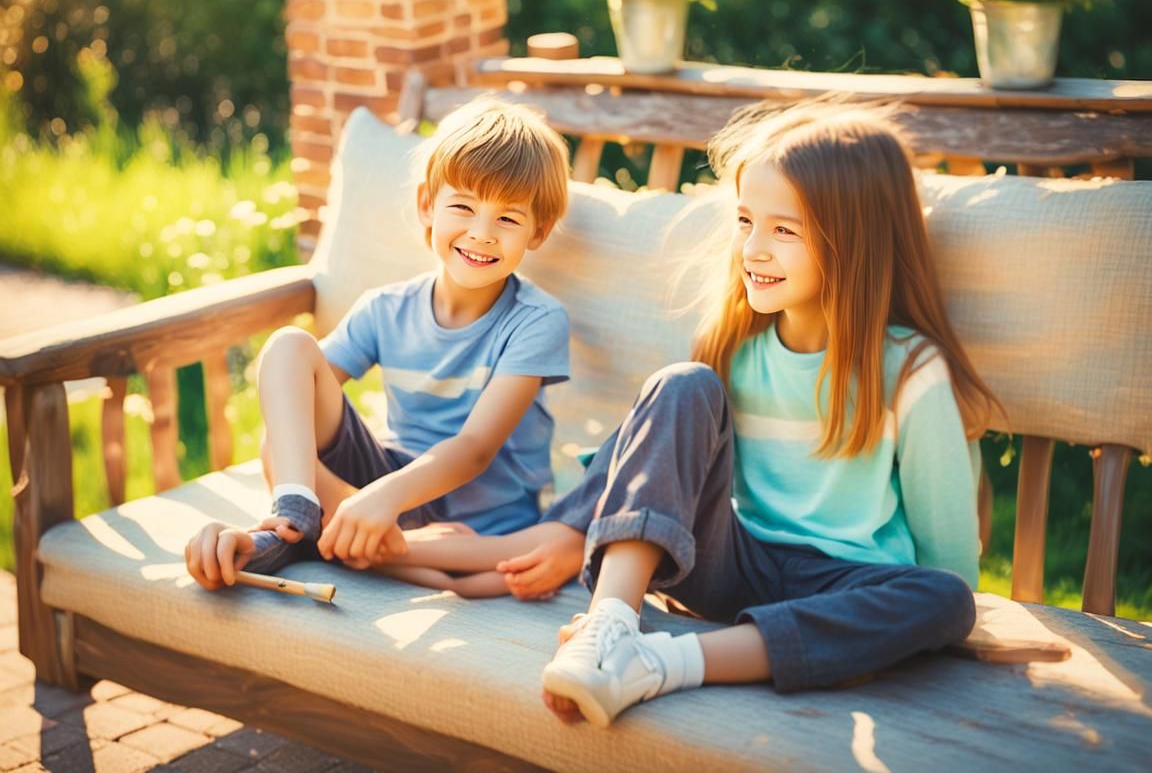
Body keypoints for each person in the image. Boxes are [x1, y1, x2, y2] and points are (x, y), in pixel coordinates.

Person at [537, 100, 1004, 727]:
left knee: (945, 601)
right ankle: (608, 627)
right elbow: (645, 465)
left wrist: (920, 613)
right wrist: (546, 542)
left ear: (854, 241)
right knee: (681, 384)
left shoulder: (911, 372)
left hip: (847, 583)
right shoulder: (733, 349)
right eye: (745, 221)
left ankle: (664, 662)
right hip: (733, 563)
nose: (752, 248)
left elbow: (951, 569)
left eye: (784, 230)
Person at [185, 97, 573, 590]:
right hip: (381, 493)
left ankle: (350, 542)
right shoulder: (385, 309)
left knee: (540, 544)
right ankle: (297, 514)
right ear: (427, 205)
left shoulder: (536, 321)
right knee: (287, 357)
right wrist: (364, 499)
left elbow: (474, 449)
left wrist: (380, 501)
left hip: (480, 526)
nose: (481, 234)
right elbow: (294, 407)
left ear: (537, 231)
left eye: (508, 219)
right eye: (463, 207)